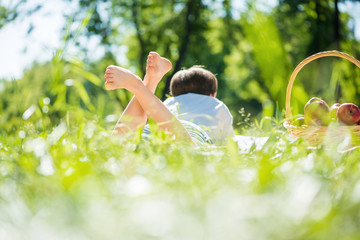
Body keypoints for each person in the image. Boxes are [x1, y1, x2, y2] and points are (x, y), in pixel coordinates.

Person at [104, 51, 234, 145]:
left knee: (118, 146)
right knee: (188, 149)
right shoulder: (216, 104)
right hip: (191, 134)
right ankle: (138, 86)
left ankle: (148, 83)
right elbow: (229, 143)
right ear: (213, 94)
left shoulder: (169, 102)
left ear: (174, 94)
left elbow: (155, 114)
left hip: (154, 132)